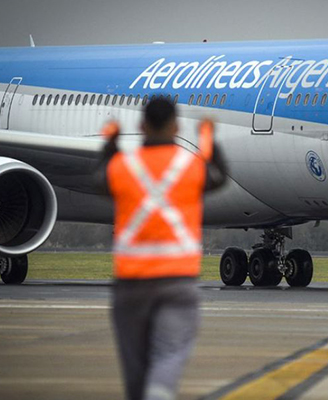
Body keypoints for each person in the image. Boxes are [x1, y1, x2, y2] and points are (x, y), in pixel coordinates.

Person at [99, 97, 227, 400]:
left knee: (135, 371)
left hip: (130, 286)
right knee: (168, 356)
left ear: (142, 126)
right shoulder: (190, 166)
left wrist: (111, 140)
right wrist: (207, 136)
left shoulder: (123, 165)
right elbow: (218, 173)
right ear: (176, 126)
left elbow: (99, 177)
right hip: (177, 282)